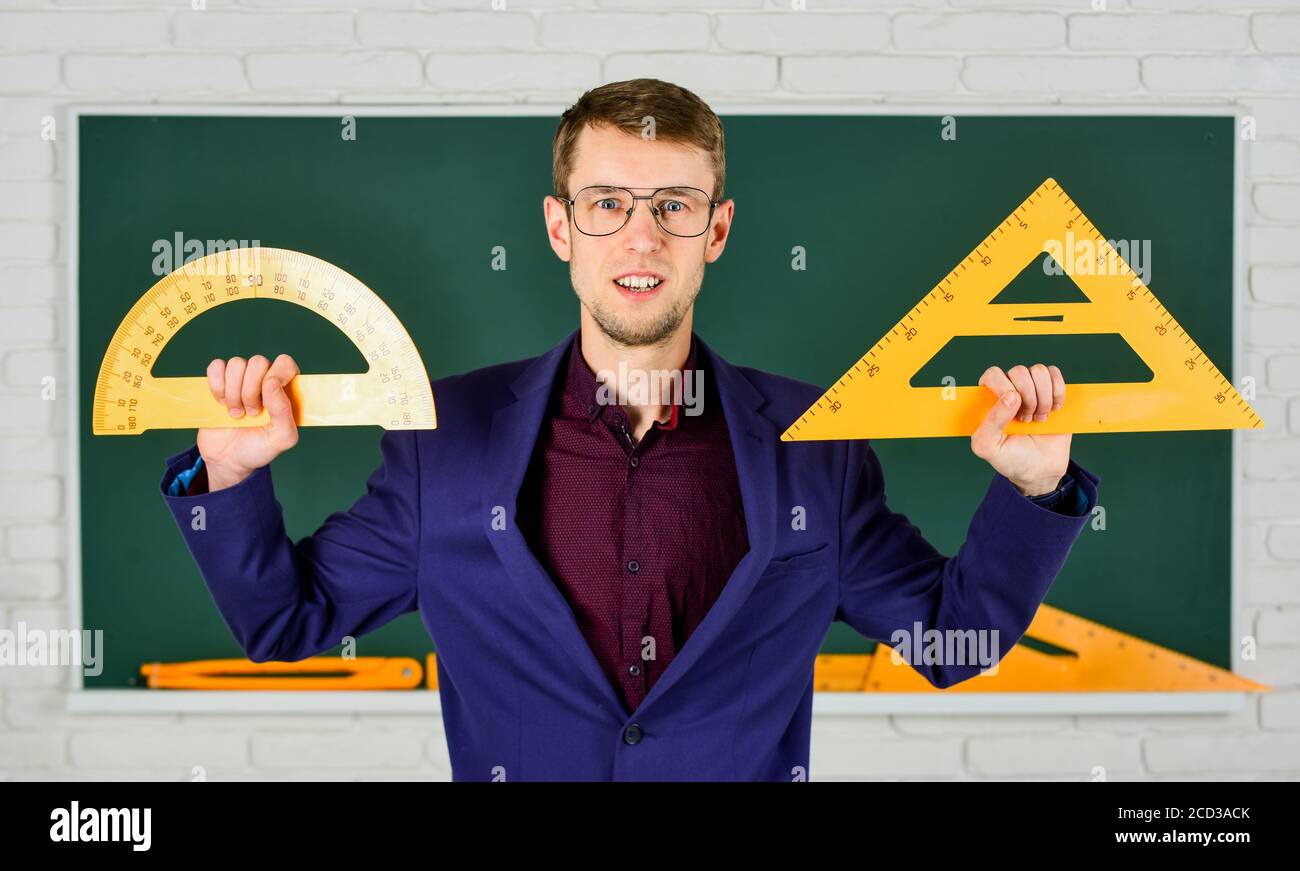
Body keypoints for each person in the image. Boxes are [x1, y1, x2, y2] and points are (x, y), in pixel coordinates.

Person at [160, 78, 1098, 781]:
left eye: (673, 207)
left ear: (716, 231)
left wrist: (1036, 489)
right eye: (607, 203)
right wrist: (229, 480)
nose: (640, 238)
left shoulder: (815, 444)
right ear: (559, 228)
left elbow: (951, 640)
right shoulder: (443, 441)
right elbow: (284, 622)